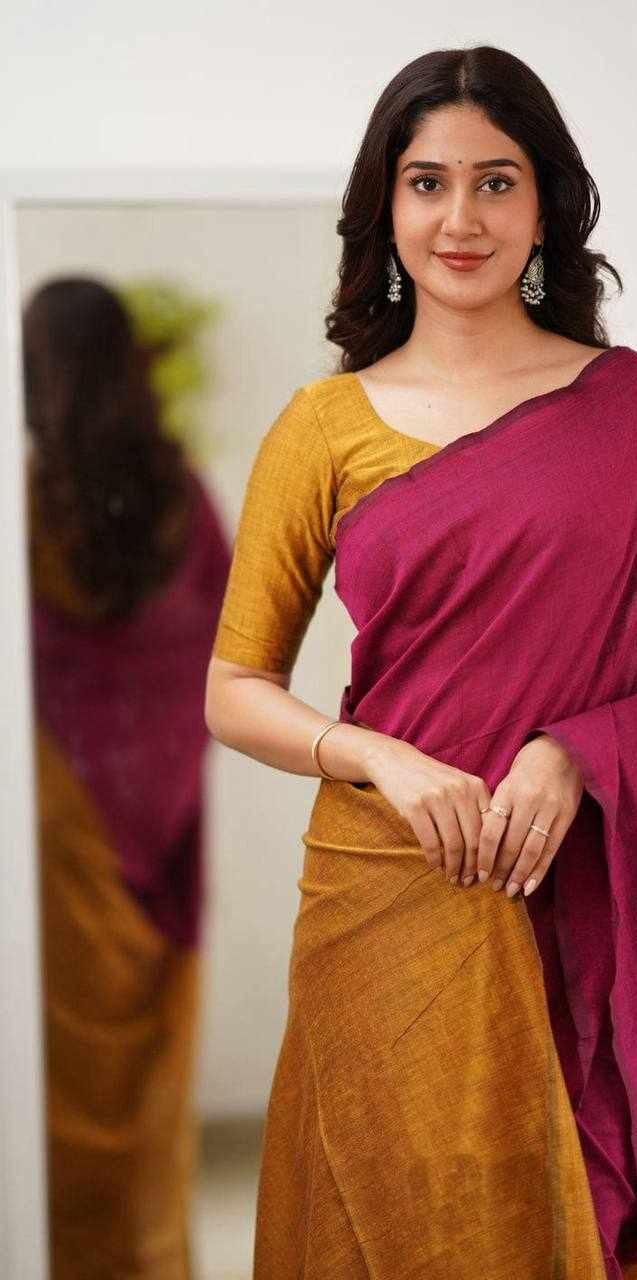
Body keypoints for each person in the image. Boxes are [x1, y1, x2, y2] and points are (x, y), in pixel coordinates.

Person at [207, 45, 637, 1280]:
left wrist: (577, 754)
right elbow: (235, 689)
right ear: (386, 205)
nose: (459, 219)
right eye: (427, 183)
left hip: (558, 900)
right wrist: (379, 756)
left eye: (495, 181)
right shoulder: (324, 425)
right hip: (379, 890)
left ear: (544, 205)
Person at [25, 276, 232, 1279]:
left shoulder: (29, 508)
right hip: (164, 824)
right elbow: (231, 649)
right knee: (150, 1088)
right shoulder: (182, 498)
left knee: (59, 1086)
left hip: (59, 833)